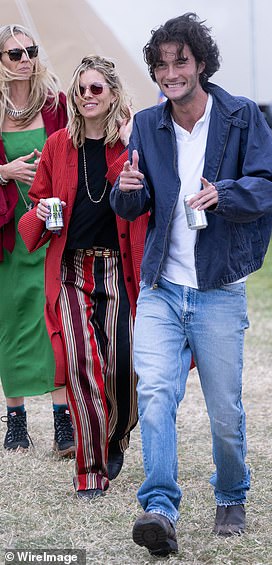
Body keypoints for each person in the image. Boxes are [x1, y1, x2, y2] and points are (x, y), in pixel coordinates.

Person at [110, 13, 272, 557]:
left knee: (223, 409)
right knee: (156, 393)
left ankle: (232, 493)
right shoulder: (146, 124)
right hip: (162, 287)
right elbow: (133, 203)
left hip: (218, 288)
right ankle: (159, 507)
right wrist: (125, 189)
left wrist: (226, 193)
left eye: (181, 61)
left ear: (201, 63)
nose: (171, 72)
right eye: (162, 64)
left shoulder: (239, 117)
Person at [18, 55, 148, 499]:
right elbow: (38, 200)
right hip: (72, 269)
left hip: (117, 269)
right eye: (81, 89)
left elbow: (138, 198)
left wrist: (129, 142)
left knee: (123, 370)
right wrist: (42, 213)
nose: (87, 96)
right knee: (80, 363)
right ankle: (90, 469)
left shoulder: (129, 145)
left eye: (96, 89)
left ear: (113, 94)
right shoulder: (58, 144)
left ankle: (114, 435)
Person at [0, 24, 74, 457]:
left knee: (55, 321)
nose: (24, 58)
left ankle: (63, 422)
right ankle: (16, 421)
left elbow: (77, 148)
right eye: (14, 53)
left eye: (29, 50)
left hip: (51, 230)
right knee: (12, 324)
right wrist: (4, 172)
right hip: (9, 237)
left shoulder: (55, 104)